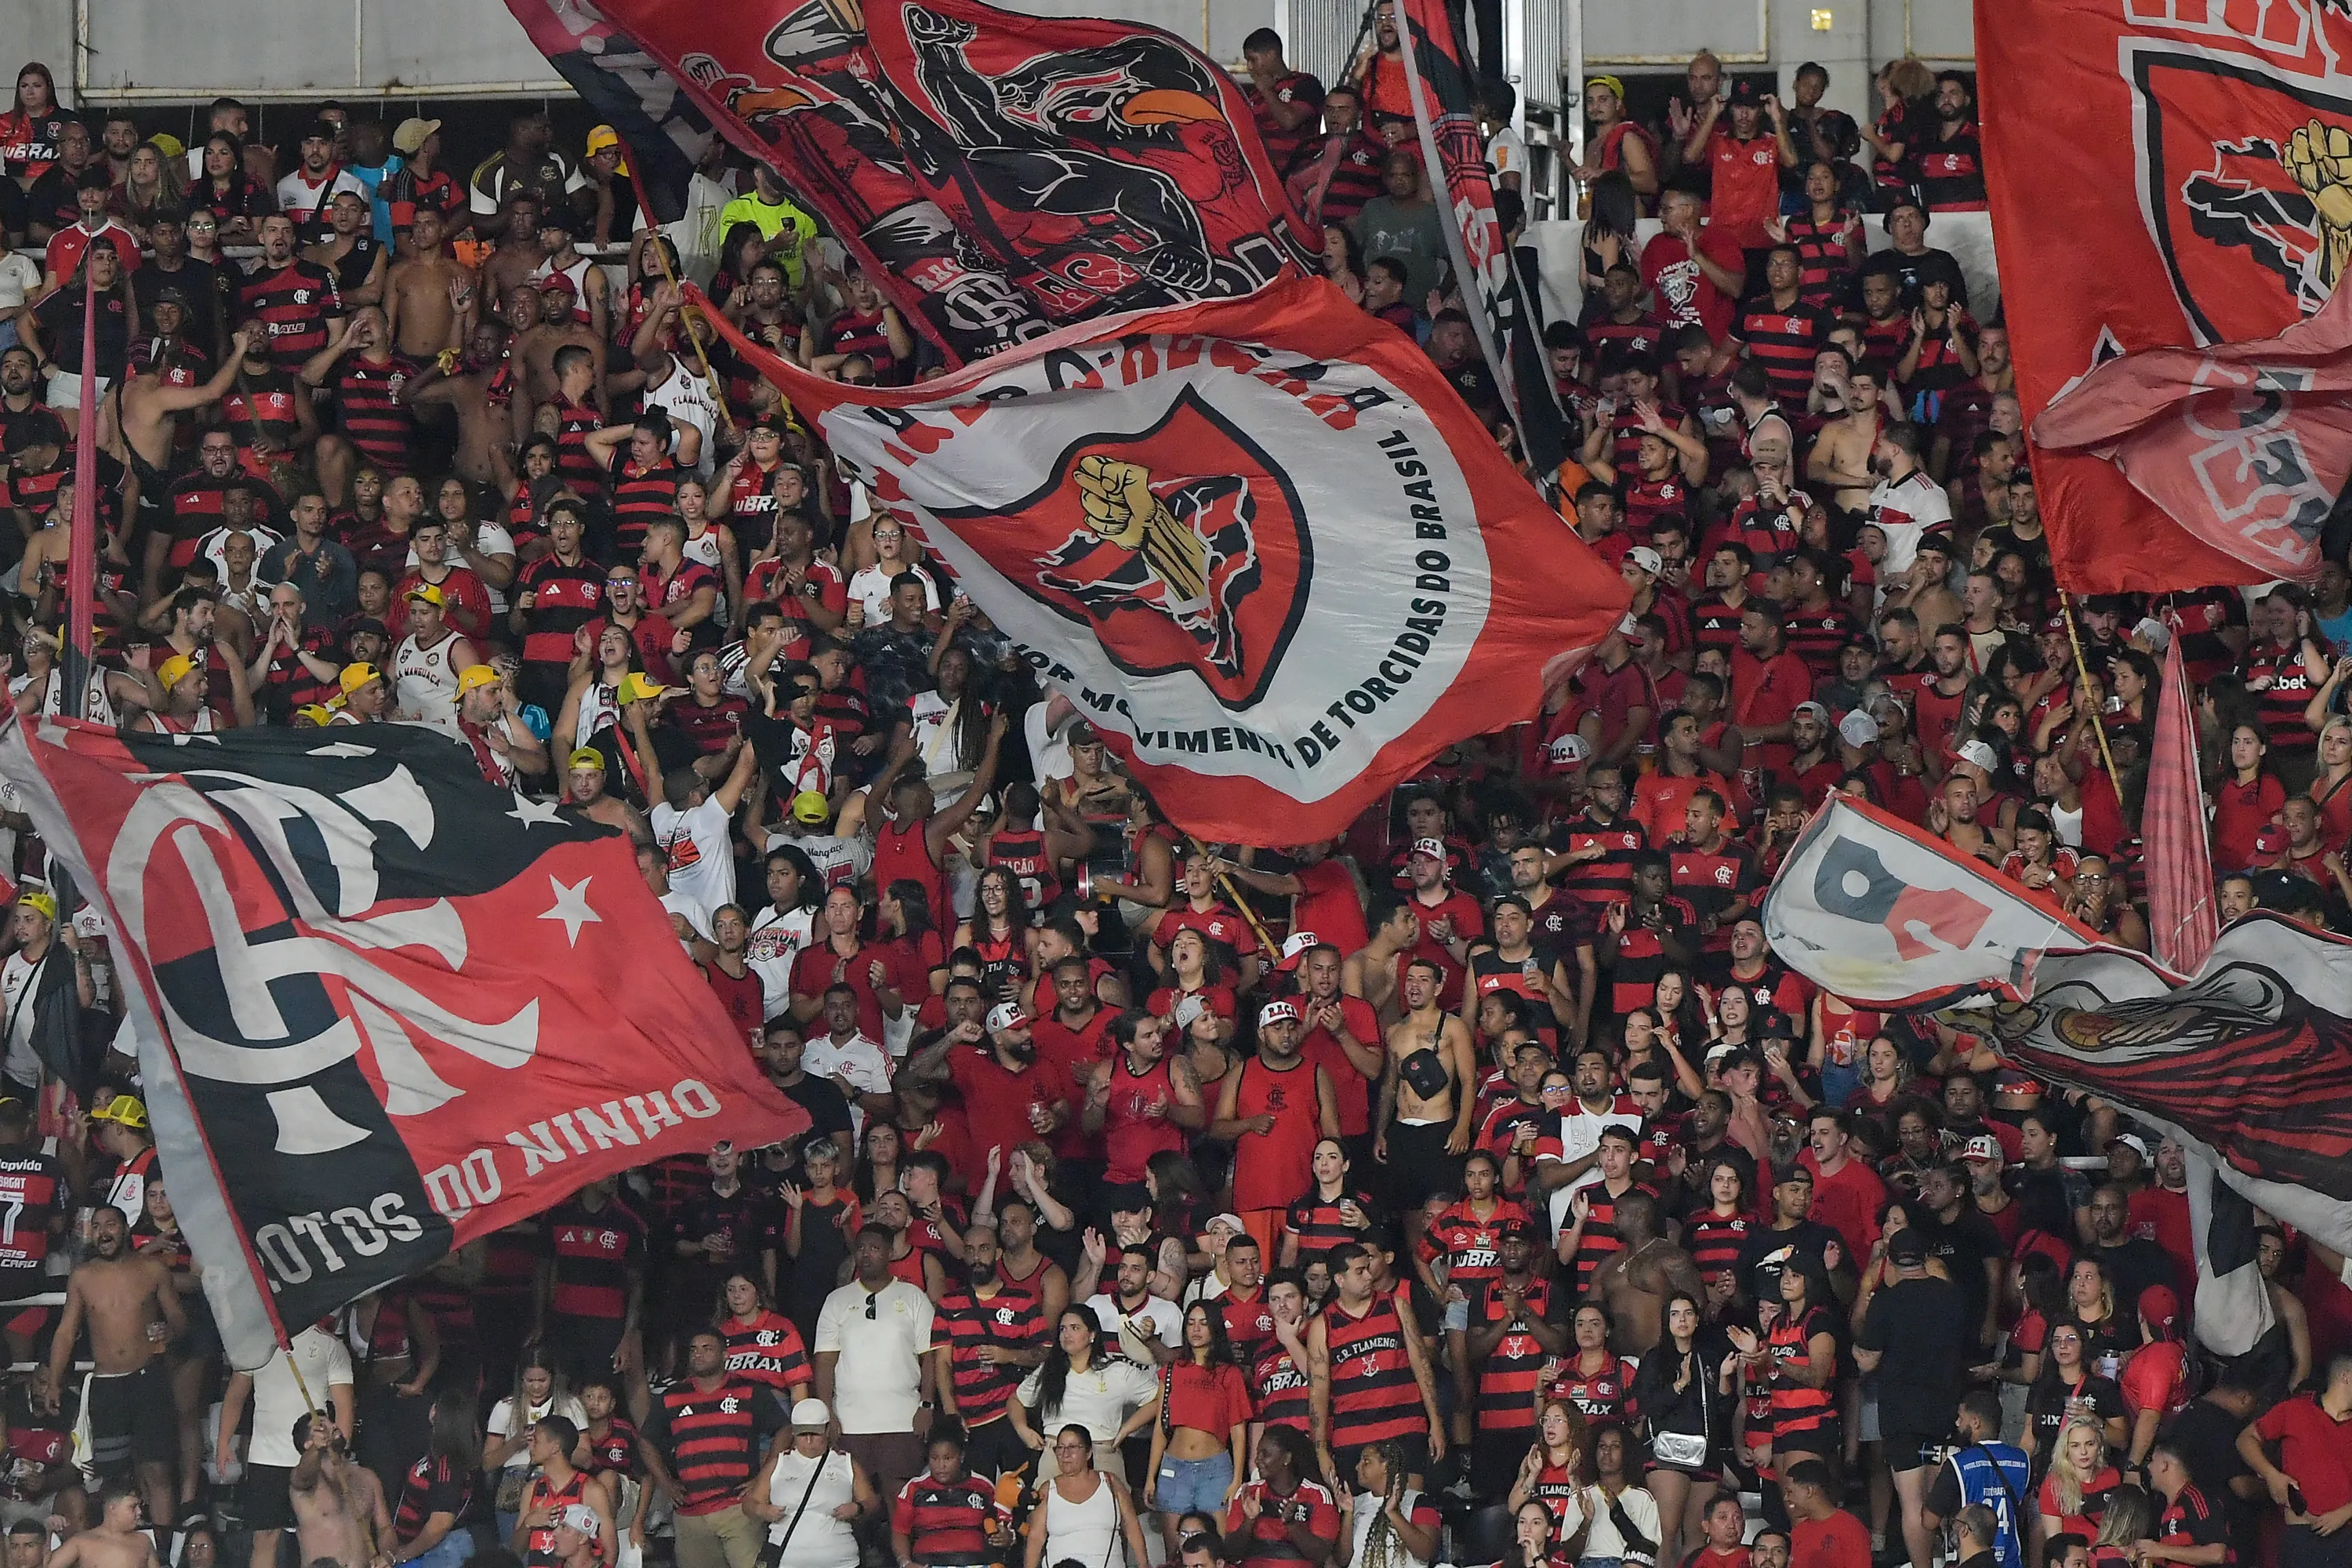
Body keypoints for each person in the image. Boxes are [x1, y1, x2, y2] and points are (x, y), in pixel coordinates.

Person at [42, 1206, 181, 1527]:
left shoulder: (152, 1270)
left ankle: (162, 1552)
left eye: (111, 1225)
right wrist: (53, 1381)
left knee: (157, 1470)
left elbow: (181, 1323)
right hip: (107, 1385)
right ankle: (115, 1552)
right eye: (97, 1227)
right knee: (113, 1476)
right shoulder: (82, 1276)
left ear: (126, 1229)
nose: (104, 1233)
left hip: (148, 1379)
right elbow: (65, 1332)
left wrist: (169, 1332)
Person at [1855, 1227, 1970, 1568]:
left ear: (1890, 1261)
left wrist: (1856, 1352)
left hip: (1901, 1413)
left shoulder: (1887, 1301)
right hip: (1946, 1410)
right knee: (1942, 1501)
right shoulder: (1952, 1296)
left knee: (1912, 1505)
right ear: (1926, 1258)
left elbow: (1869, 1358)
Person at [638, 1329, 784, 1568]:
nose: (699, 1355)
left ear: (725, 1355)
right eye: (694, 1349)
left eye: (707, 1349)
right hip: (690, 1515)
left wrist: (763, 1479)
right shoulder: (672, 1396)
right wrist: (665, 1483)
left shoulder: (749, 1390)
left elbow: (784, 1430)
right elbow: (646, 1440)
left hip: (738, 1509)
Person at [815, 1226, 938, 1507]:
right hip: (849, 1421)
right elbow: (824, 1360)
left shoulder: (912, 1296)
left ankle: (900, 1553)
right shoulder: (837, 1301)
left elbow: (929, 1355)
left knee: (899, 1504)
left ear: (890, 1253)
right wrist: (827, 1412)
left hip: (902, 1419)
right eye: (861, 1248)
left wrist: (927, 1405)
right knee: (852, 1503)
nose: (866, 1254)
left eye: (874, 1248)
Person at [2236, 1351, 2352, 1566]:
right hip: (2302, 1533)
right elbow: (2245, 1439)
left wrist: (2345, 1513)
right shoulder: (2295, 1410)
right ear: (2346, 1376)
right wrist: (2272, 1475)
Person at [747, 1399, 873, 1568]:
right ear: (793, 1432)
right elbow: (749, 1503)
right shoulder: (779, 1463)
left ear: (827, 1430)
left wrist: (858, 1508)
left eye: (815, 1434)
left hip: (841, 1561)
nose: (808, 1441)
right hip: (787, 1560)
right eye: (802, 1434)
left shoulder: (846, 1462)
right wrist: (762, 1510)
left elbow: (872, 1501)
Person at [1926, 1392, 2032, 1568]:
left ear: (1975, 1422)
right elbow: (2021, 1515)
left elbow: (1929, 1521)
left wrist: (1935, 1475)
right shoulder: (2022, 1460)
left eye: (1961, 1418)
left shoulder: (1958, 1463)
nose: (1957, 1423)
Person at [289, 1411, 395, 1568]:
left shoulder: (367, 1477)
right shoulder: (303, 1480)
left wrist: (387, 1556)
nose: (333, 1426)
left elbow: (386, 1528)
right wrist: (316, 1449)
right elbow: (302, 1476)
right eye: (322, 1426)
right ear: (308, 1444)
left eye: (331, 1422)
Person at [1220, 1427, 1338, 1568]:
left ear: (1287, 1458)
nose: (1257, 1460)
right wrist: (1249, 1521)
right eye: (1258, 1453)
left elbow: (1321, 1555)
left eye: (1265, 1454)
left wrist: (1292, 1524)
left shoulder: (1318, 1495)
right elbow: (1231, 1554)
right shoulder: (1248, 1493)